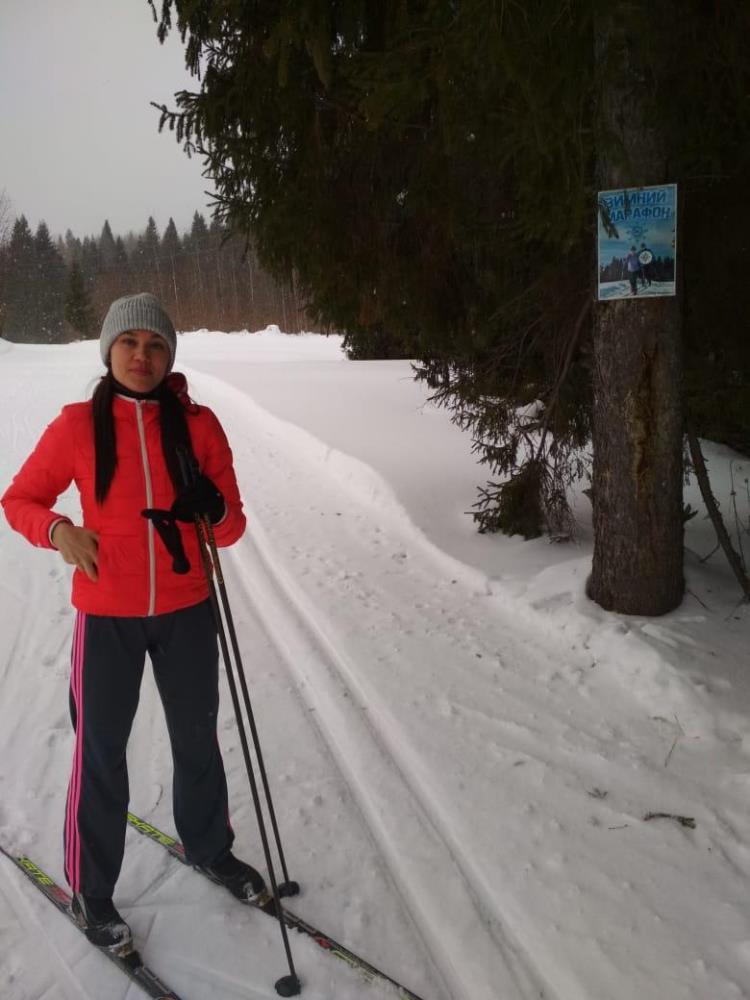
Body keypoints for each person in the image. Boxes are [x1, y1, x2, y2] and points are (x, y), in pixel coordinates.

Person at [1, 293, 265, 952]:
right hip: (107, 617)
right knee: (102, 753)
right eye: (129, 342)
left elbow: (231, 528)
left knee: (197, 740)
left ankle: (210, 847)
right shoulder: (77, 426)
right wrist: (59, 530)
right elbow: (20, 499)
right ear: (109, 350)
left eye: (155, 345)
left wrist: (211, 509)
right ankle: (91, 890)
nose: (141, 356)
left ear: (169, 356)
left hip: (186, 610)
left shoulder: (199, 427)